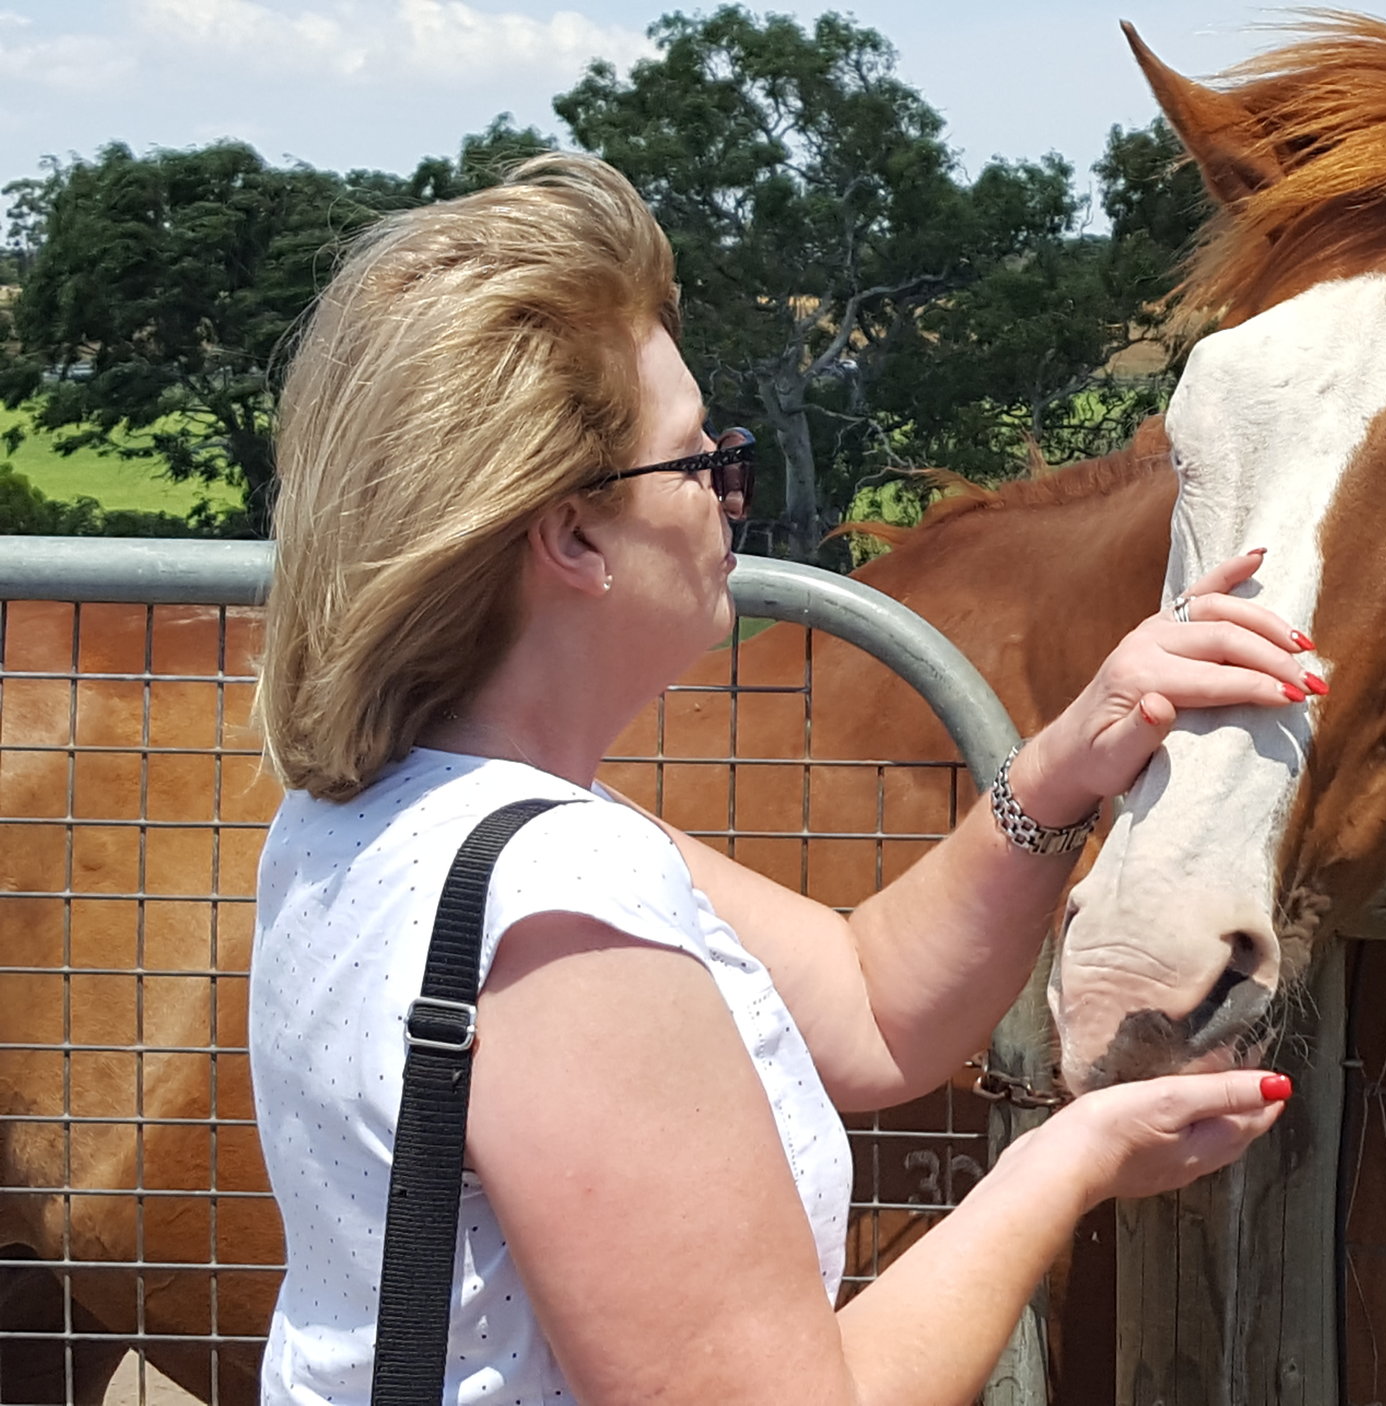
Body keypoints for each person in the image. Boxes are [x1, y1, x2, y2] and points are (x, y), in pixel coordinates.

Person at [247, 153, 1310, 1405]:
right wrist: (1066, 1160)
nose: (728, 500)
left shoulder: (402, 812)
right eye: (700, 464)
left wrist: (1066, 759)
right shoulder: (560, 909)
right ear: (573, 533)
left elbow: (869, 1002)